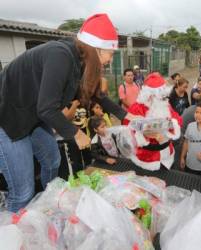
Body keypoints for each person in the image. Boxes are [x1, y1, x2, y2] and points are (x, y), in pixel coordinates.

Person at [0, 13, 135, 212]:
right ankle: (11, 236)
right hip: (8, 120)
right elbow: (47, 108)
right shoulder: (61, 55)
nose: (110, 59)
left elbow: (95, 95)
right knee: (23, 192)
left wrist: (126, 116)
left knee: (52, 159)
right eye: (111, 53)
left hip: (32, 118)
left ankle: (46, 205)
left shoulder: (79, 62)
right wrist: (76, 133)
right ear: (97, 49)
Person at [123, 73, 182, 171]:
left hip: (167, 155)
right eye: (160, 96)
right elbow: (128, 128)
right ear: (148, 95)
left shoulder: (164, 104)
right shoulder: (137, 108)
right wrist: (148, 132)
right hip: (146, 159)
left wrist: (163, 126)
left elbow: (178, 120)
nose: (163, 98)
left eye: (164, 96)